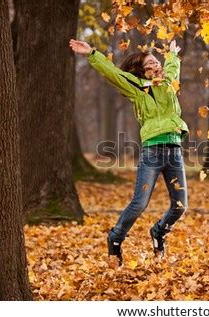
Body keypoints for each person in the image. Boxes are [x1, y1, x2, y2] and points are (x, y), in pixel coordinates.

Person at [69, 39, 189, 265]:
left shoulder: (168, 83)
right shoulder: (138, 88)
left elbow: (173, 68)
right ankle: (115, 238)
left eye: (157, 61)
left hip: (174, 151)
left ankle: (159, 231)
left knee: (180, 206)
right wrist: (92, 53)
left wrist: (172, 55)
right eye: (152, 62)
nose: (157, 64)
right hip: (152, 151)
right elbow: (113, 73)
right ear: (143, 72)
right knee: (139, 203)